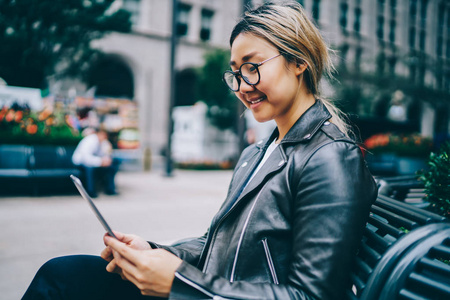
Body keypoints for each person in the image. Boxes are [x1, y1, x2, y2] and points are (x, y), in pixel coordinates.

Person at [23, 2, 377, 299]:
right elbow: (214, 244)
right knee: (64, 274)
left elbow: (311, 296)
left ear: (299, 61)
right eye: (235, 73)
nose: (241, 86)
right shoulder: (257, 153)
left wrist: (180, 283)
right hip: (208, 290)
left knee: (62, 281)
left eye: (252, 67)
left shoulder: (330, 157)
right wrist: (157, 253)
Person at [72, 128, 119, 197]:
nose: (105, 137)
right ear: (98, 134)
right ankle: (90, 191)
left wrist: (107, 158)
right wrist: (100, 162)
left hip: (94, 162)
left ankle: (110, 189)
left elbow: (105, 154)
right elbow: (85, 158)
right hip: (80, 162)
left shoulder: (103, 142)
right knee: (90, 169)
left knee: (111, 166)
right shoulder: (90, 141)